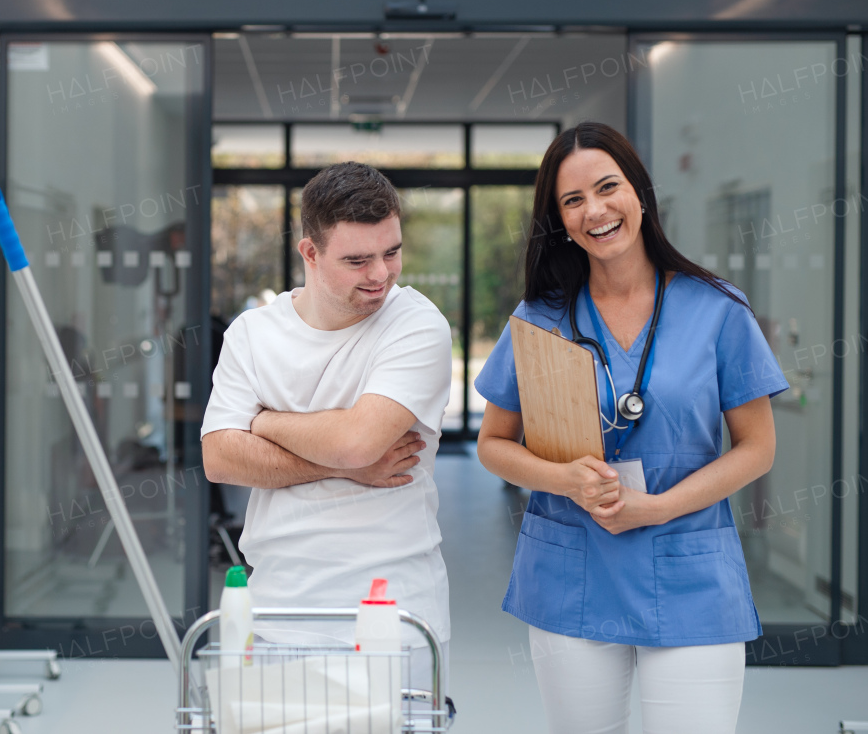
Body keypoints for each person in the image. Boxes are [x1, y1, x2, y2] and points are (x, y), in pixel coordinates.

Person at [474, 122, 787, 734]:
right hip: (573, 570)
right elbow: (493, 444)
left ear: (639, 192)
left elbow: (758, 448)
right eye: (572, 200)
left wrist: (660, 506)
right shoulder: (541, 318)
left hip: (689, 568)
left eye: (607, 187)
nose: (595, 210)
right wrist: (562, 478)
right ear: (560, 220)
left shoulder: (718, 309)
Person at [202, 161, 453, 691]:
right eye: (357, 260)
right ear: (310, 254)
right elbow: (220, 458)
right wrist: (348, 465)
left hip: (394, 613)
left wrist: (264, 420)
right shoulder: (252, 334)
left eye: (392, 251)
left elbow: (357, 441)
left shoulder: (418, 324)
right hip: (277, 611)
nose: (381, 274)